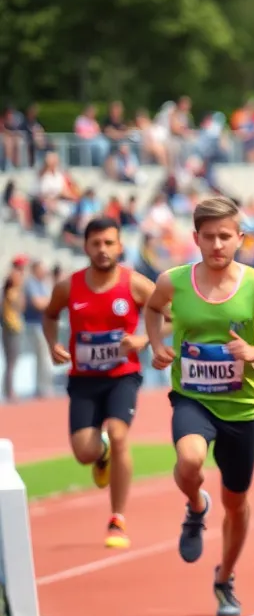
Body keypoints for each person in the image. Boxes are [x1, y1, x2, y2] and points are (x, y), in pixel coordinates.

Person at [145, 196, 254, 616]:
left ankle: (225, 577)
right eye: (208, 237)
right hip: (192, 397)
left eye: (225, 236)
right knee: (189, 460)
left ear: (240, 238)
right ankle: (194, 505)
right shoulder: (172, 281)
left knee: (236, 502)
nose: (217, 245)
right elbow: (153, 309)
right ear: (195, 238)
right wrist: (156, 345)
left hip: (241, 406)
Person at [41, 217, 153, 548]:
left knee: (120, 434)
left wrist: (144, 340)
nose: (103, 250)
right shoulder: (69, 286)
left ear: (120, 246)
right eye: (96, 243)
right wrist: (52, 345)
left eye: (109, 243)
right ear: (85, 246)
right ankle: (100, 450)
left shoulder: (134, 284)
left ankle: (117, 519)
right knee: (83, 452)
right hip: (84, 380)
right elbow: (49, 315)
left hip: (122, 376)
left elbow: (170, 312)